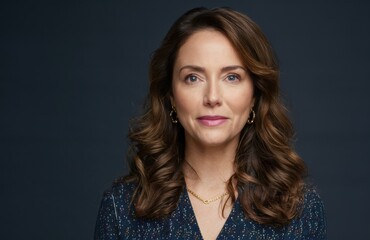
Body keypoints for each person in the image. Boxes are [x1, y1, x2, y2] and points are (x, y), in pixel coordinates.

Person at [95, 7, 326, 240]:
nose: (212, 97)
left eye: (232, 77)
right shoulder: (122, 208)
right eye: (193, 78)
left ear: (255, 95)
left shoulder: (300, 210)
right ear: (171, 96)